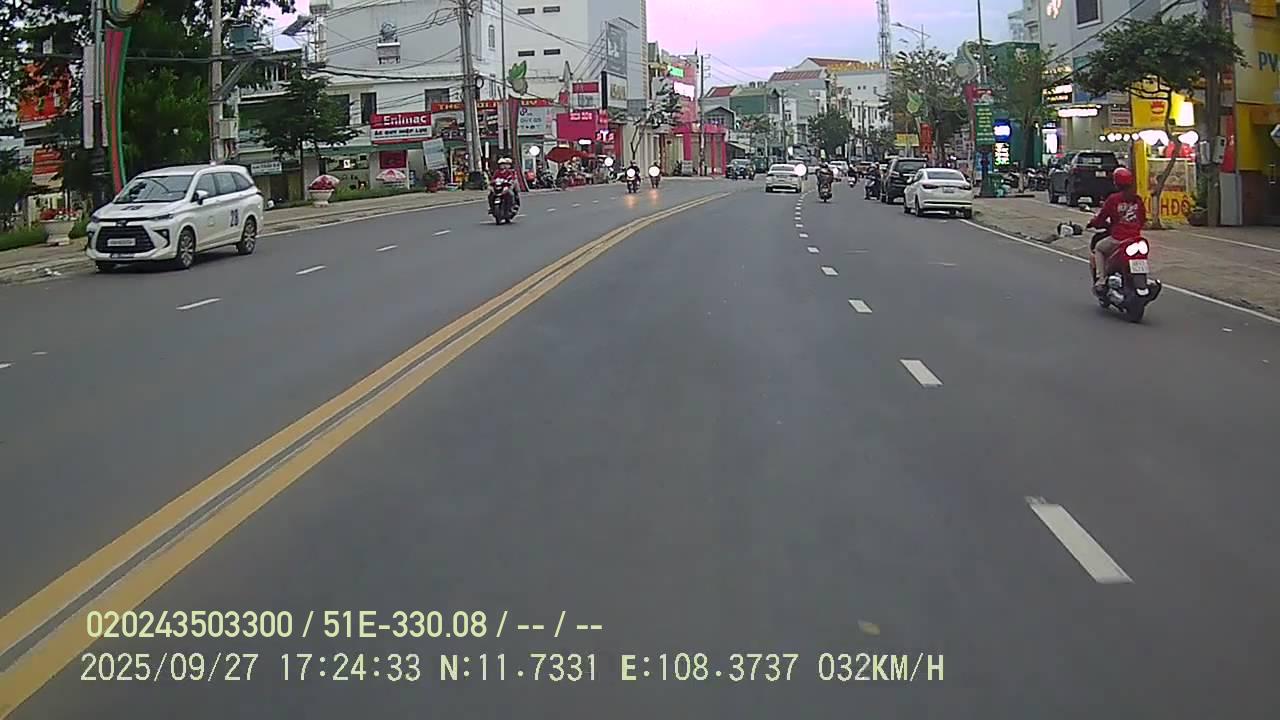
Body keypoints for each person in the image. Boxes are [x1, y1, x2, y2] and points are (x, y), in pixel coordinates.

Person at [1087, 167, 1146, 293]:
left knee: (1099, 248)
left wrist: (1093, 223)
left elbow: (1101, 218)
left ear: (1116, 183)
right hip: (1136, 238)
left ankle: (1101, 279)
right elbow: (1142, 219)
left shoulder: (1113, 199)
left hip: (1118, 238)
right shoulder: (1137, 199)